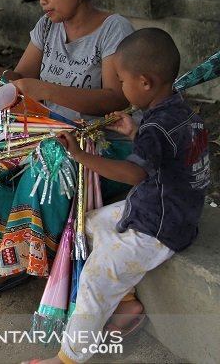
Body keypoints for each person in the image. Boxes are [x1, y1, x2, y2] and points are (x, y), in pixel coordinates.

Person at [0, 0, 135, 298]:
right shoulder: (47, 29)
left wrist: (45, 89)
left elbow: (117, 99)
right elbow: (16, 79)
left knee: (48, 163)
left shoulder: (113, 30)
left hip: (98, 147)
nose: (43, 0)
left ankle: (14, 262)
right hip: (40, 135)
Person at [23, 28, 210, 364]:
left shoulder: (157, 127)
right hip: (169, 207)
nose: (120, 88)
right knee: (91, 221)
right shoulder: (177, 113)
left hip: (159, 228)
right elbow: (166, 151)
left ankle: (67, 357)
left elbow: (133, 173)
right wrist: (134, 131)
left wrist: (81, 157)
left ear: (146, 83)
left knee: (96, 274)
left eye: (122, 81)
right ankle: (124, 301)